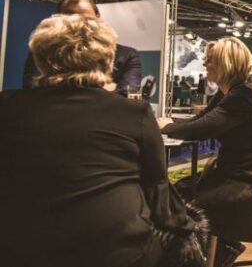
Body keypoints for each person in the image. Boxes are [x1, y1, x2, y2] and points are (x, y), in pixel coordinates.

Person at [1, 15, 202, 267]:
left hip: (16, 249)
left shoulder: (7, 107)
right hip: (116, 252)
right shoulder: (134, 113)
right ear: (108, 60)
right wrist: (187, 228)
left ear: (40, 59)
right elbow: (158, 191)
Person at [158, 37, 252, 267]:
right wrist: (170, 122)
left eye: (210, 59)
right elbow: (201, 120)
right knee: (177, 193)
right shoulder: (230, 93)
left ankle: (213, 255)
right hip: (241, 179)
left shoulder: (243, 97)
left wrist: (165, 126)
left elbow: (201, 128)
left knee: (179, 200)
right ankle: (210, 255)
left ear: (225, 63)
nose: (205, 63)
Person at [22, 0, 142, 97]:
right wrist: (105, 87)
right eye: (71, 18)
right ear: (57, 20)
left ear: (98, 17)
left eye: (86, 19)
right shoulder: (42, 51)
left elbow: (126, 95)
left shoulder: (126, 54)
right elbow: (32, 91)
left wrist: (57, 84)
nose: (80, 25)